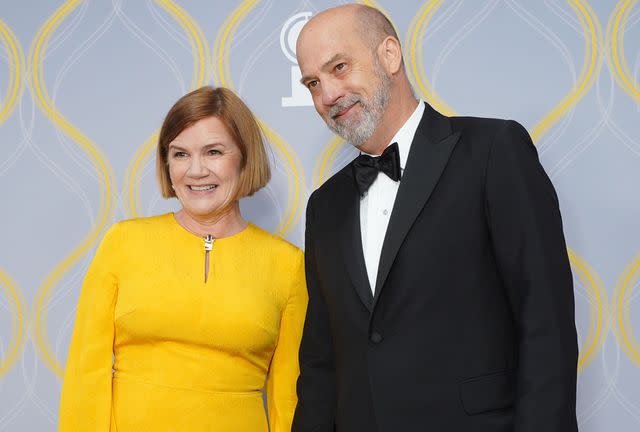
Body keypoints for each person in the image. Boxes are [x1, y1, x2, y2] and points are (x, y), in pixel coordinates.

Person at [293, 4, 578, 432]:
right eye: (313, 82)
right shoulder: (325, 205)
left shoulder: (494, 151)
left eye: (340, 67)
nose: (328, 95)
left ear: (389, 55)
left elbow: (546, 325)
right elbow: (321, 363)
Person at [58, 86, 307, 431]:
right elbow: (85, 374)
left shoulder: (289, 265)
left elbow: (289, 399)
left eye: (213, 152)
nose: (196, 170)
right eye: (180, 154)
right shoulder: (123, 242)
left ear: (245, 157)